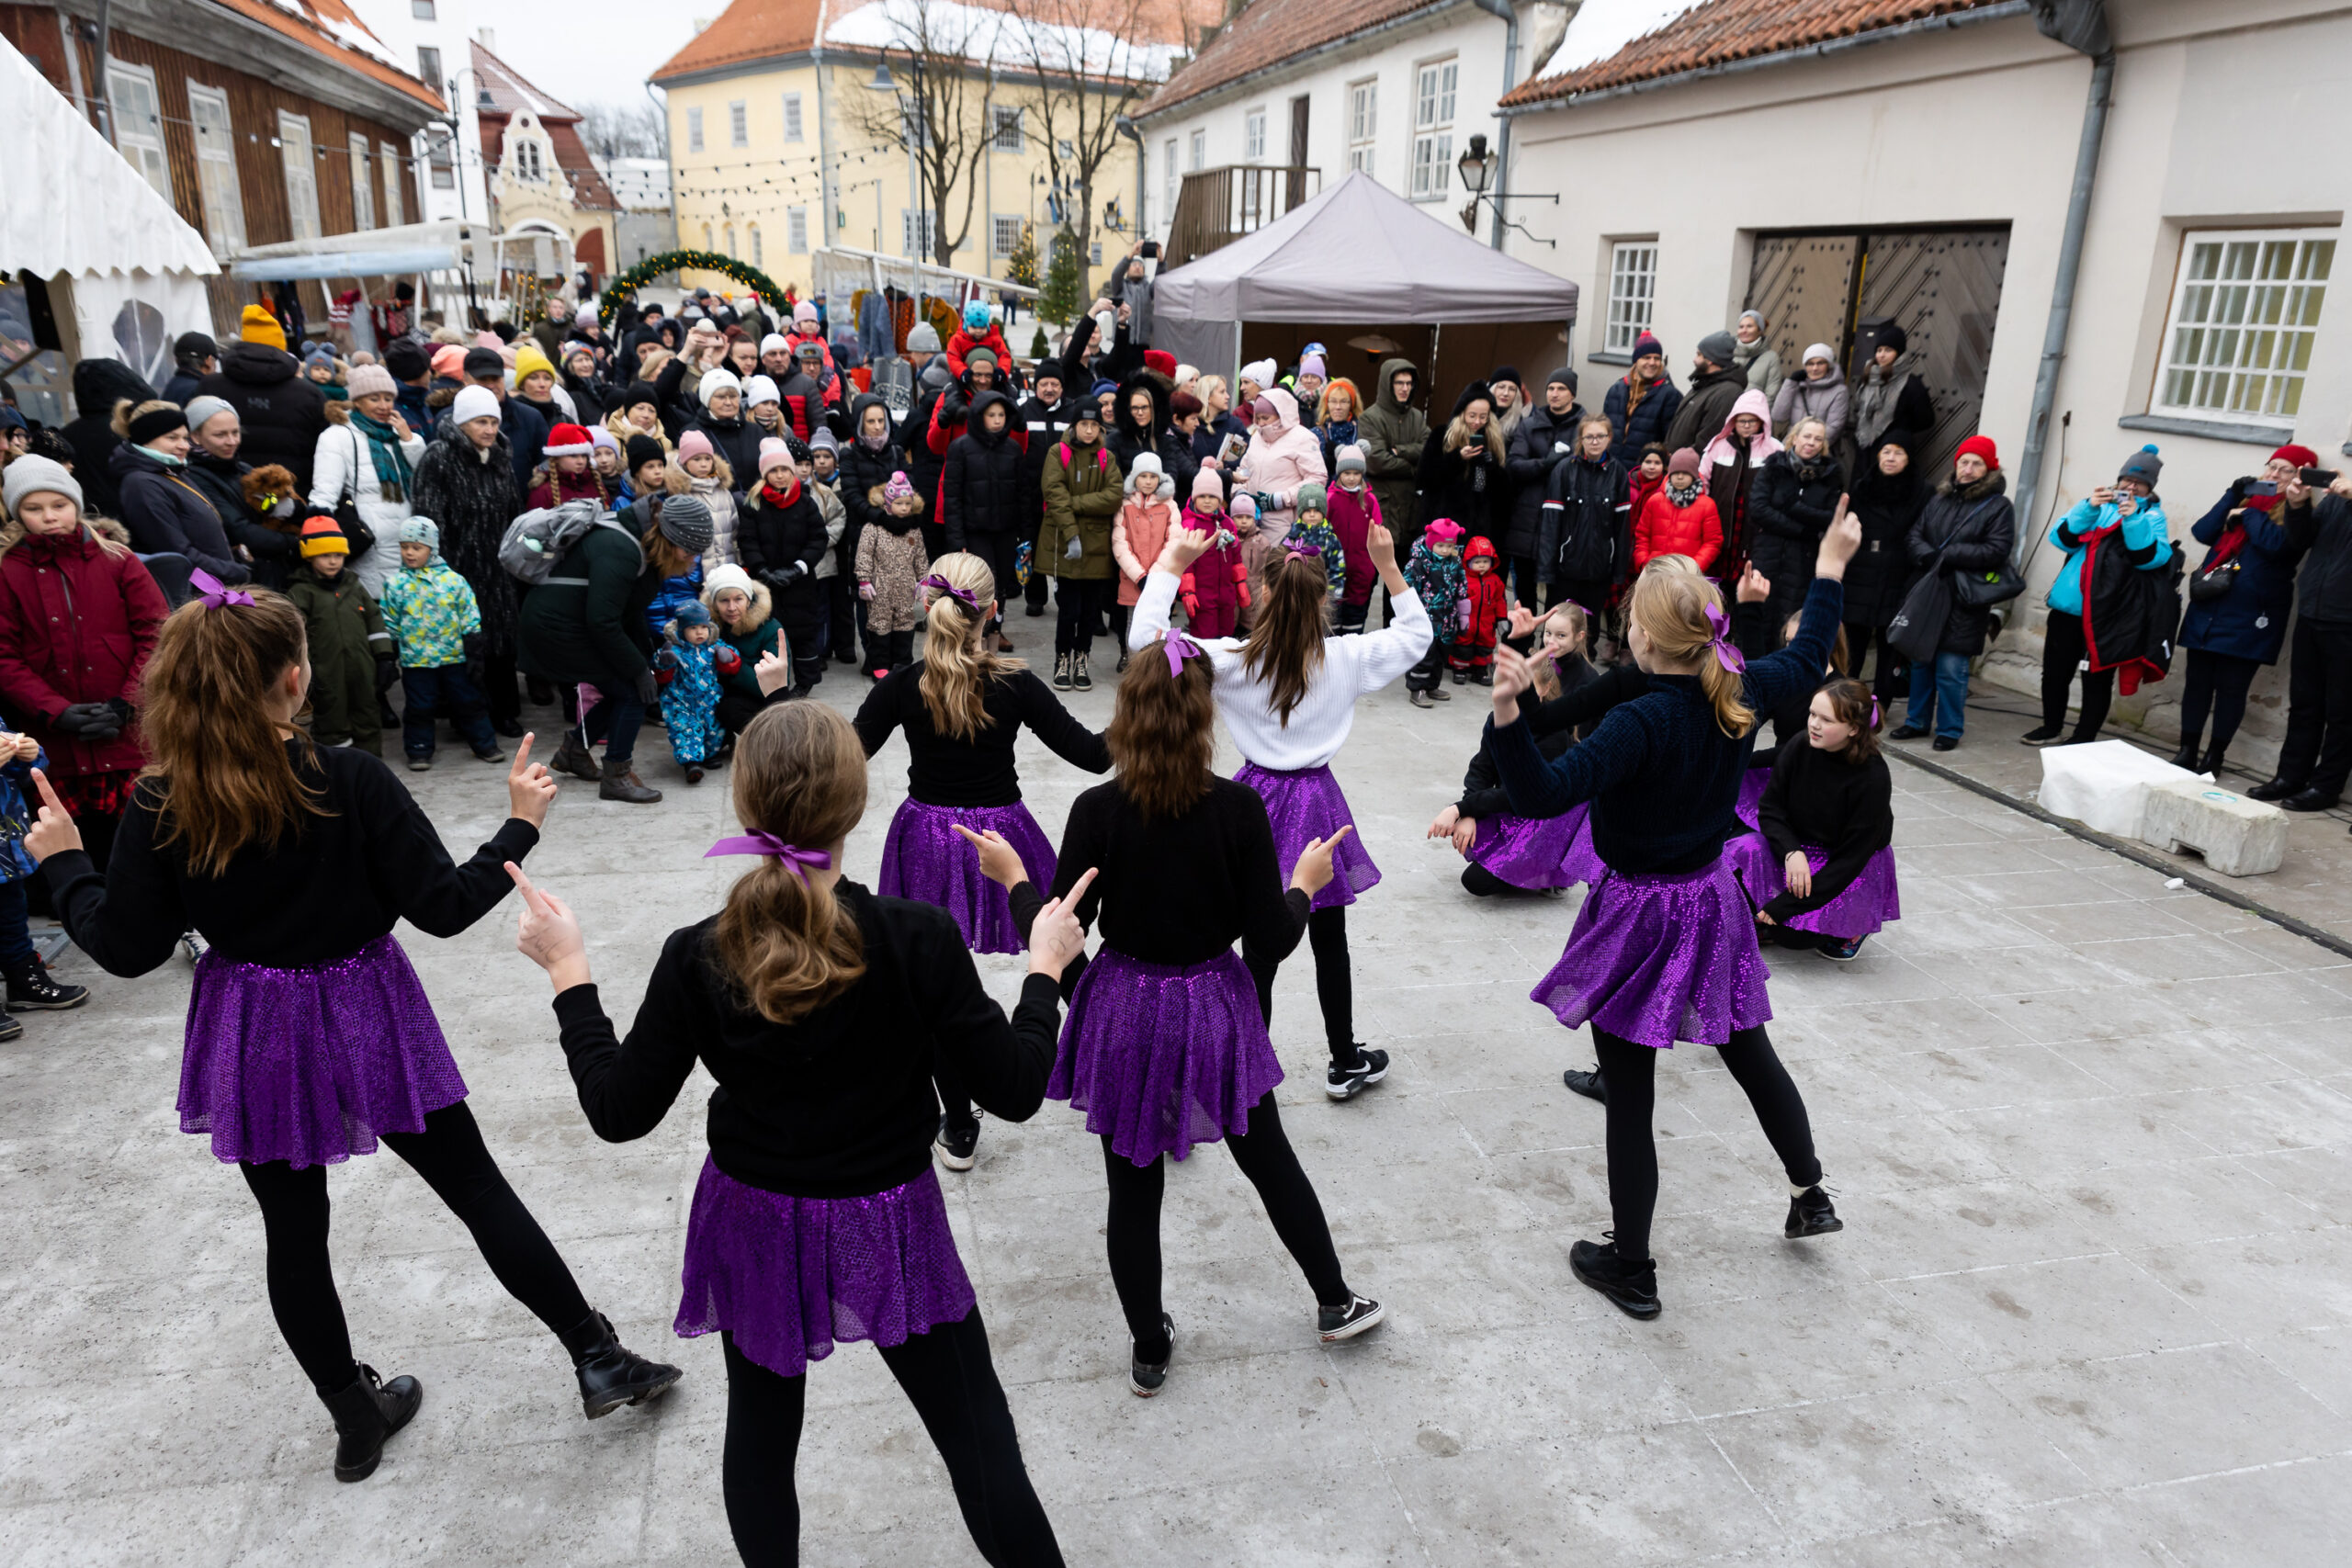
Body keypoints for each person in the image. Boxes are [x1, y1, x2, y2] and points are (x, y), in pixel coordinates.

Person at [30, 585, 680, 1483]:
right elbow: (445, 910)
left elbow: (126, 950)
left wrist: (65, 861)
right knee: (475, 1188)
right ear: (295, 681)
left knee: (294, 1234)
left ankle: (354, 1417)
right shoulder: (350, 778)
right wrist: (518, 830)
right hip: (366, 1007)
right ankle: (596, 1354)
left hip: (254, 1024)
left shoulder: (160, 800)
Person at [509, 702, 1073, 1562]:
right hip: (888, 1217)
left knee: (763, 1438)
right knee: (977, 1436)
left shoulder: (698, 951)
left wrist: (569, 973)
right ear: (854, 806)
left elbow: (619, 1112)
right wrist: (1043, 971)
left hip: (755, 1219)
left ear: (745, 810)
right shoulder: (915, 935)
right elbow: (1018, 1087)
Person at [964, 629, 1385, 1399]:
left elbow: (1056, 927)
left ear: (1126, 713)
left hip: (1125, 1006)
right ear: (1203, 716)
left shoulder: (1098, 809)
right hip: (1215, 1003)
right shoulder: (1237, 808)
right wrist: (1305, 882)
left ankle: (1150, 1345)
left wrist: (1015, 878)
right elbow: (1273, 938)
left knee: (1133, 1189)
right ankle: (1334, 1299)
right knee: (1268, 1157)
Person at [1485, 506, 1862, 1318]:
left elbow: (1542, 793)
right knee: (1748, 1050)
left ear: (1645, 641)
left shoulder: (1638, 721)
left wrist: (1507, 716)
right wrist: (1830, 565)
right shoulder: (1735, 683)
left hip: (1640, 914)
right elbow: (1805, 655)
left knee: (1632, 1092)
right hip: (1711, 900)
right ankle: (1810, 1192)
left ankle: (1632, 1263)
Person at [1131, 518, 1429, 1099]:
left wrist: (1171, 565)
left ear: (1264, 591)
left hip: (1255, 801)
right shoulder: (1346, 658)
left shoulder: (1232, 660)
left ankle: (1249, 1074)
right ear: (1325, 597)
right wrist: (1389, 566)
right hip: (1318, 802)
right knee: (1329, 940)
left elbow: (1148, 645)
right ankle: (1343, 1060)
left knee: (1258, 945)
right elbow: (1416, 637)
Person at [0, 457, 169, 877]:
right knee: (76, 840)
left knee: (147, 834)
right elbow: (4, 655)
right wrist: (56, 711)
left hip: (127, 730)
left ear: (75, 503)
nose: (49, 517)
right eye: (33, 509)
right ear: (17, 513)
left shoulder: (118, 559)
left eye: (58, 504)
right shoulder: (7, 570)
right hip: (56, 736)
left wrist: (127, 702)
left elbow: (156, 632)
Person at [522, 491, 713, 804]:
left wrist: (644, 659)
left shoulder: (642, 545)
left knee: (624, 687)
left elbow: (627, 610)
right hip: (556, 629)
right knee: (633, 691)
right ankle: (617, 777)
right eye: (691, 551)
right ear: (672, 539)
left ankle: (573, 752)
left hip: (575, 624)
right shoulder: (622, 549)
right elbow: (604, 621)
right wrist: (639, 670)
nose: (692, 560)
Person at [1430, 602, 1605, 897]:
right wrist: (1469, 811)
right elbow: (1481, 767)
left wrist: (1462, 808)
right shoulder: (1497, 718)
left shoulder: (1554, 735)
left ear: (1544, 691)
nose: (1510, 688)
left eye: (1521, 686)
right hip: (1515, 804)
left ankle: (1549, 867)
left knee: (1476, 882)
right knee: (1471, 844)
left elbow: (1521, 793)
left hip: (1544, 814)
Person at [1724, 677, 1899, 963]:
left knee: (1795, 940)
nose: (1814, 724)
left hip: (1845, 858)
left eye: (1826, 720)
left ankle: (1852, 927)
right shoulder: (1800, 745)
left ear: (1853, 729)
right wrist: (1792, 851)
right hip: (1802, 842)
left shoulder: (1873, 777)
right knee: (1743, 847)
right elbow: (1770, 808)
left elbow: (1849, 860)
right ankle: (1770, 920)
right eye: (1812, 714)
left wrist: (1786, 906)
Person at [2173, 446, 2315, 774]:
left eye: (2285, 470)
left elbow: (2278, 547)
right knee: (2197, 684)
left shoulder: (2295, 512)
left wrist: (2247, 515)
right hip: (2209, 606)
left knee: (2231, 689)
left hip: (2252, 617)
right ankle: (2187, 751)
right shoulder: (2242, 503)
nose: (2273, 475)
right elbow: (2203, 532)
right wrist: (2232, 497)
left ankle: (2215, 756)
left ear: (2298, 478)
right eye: (2271, 467)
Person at [2022, 445, 2175, 748]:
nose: (2130, 487)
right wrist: (2088, 507)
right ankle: (2050, 726)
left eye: (2139, 483)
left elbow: (2148, 558)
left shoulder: (2153, 517)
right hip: (2068, 608)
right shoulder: (2096, 505)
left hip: (2109, 615)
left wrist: (2132, 518)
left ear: (2149, 487)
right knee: (2054, 673)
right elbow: (2061, 538)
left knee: (2096, 680)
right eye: (2126, 480)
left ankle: (2083, 737)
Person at [407, 385, 526, 736]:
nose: (489, 429)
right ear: (462, 423)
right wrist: (438, 569)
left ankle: (504, 711)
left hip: (499, 568)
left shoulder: (502, 455)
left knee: (501, 643)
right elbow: (428, 517)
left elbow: (514, 512)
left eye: (494, 421)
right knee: (465, 644)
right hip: (457, 570)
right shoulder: (439, 457)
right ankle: (470, 716)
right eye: (480, 422)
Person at [1889, 434, 2015, 751]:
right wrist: (1928, 556)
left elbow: (1997, 549)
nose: (1968, 469)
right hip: (1931, 591)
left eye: (1976, 463)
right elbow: (1915, 535)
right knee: (1920, 662)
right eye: (1964, 462)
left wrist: (1950, 555)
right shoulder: (1939, 498)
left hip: (1964, 597)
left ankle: (1949, 728)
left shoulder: (1999, 507)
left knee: (1950, 668)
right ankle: (1916, 722)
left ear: (1988, 469)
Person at [2251, 469, 2352, 811]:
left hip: (2348, 623)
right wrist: (2298, 506)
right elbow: (2301, 541)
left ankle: (2325, 787)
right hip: (2312, 613)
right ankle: (2290, 776)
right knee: (2305, 703)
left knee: (2342, 712)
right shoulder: (2337, 498)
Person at [378, 518, 498, 771]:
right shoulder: (395, 584)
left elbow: (468, 613)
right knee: (419, 706)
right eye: (404, 546)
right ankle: (418, 749)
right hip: (416, 660)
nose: (409, 552)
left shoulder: (453, 581)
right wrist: (390, 651)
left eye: (417, 547)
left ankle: (485, 744)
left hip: (454, 656)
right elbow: (389, 618)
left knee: (468, 701)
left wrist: (474, 646)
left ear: (432, 549)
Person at [0, 721, 87, 1029]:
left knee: (12, 916)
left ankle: (24, 981)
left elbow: (21, 776)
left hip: (5, 845)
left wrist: (29, 755)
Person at [308, 364, 424, 595]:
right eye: (374, 399)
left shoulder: (396, 436)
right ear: (357, 401)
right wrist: (320, 538)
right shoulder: (338, 436)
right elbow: (325, 491)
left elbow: (424, 480)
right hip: (370, 542)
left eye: (388, 398)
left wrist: (410, 440)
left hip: (408, 541)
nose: (383, 406)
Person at [109, 400, 253, 586]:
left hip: (212, 586)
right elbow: (176, 554)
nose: (184, 446)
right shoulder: (142, 484)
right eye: (172, 438)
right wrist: (232, 571)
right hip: (195, 595)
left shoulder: (172, 472)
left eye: (185, 438)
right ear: (146, 438)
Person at [284, 514, 395, 754]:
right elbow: (295, 635)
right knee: (331, 720)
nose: (333, 561)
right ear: (310, 556)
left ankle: (370, 762)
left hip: (362, 668)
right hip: (326, 672)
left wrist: (384, 656)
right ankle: (336, 766)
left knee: (367, 713)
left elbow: (374, 619)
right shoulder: (301, 592)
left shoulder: (354, 585)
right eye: (325, 555)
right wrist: (305, 670)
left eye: (338, 555)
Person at [197, 314, 331, 494]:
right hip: (292, 495)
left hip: (227, 494)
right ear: (280, 349)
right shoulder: (309, 394)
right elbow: (326, 449)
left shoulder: (210, 386)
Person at [1038, 405, 1123, 691]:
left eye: (1094, 424)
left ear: (1101, 428)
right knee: (1068, 609)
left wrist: (1077, 503)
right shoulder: (1057, 452)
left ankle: (1082, 658)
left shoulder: (1106, 457)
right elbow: (1054, 493)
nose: (1089, 430)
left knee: (1090, 611)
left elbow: (1113, 496)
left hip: (1097, 546)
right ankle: (1062, 658)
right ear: (1074, 426)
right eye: (1083, 424)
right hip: (1065, 542)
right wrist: (1073, 530)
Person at [737, 437, 829, 696]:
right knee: (771, 632)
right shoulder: (753, 504)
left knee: (803, 632)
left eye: (784, 470)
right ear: (764, 474)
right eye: (773, 471)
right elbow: (747, 540)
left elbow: (818, 538)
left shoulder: (805, 502)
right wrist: (761, 569)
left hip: (799, 580)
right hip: (766, 582)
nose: (779, 476)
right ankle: (774, 681)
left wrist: (799, 567)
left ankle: (806, 680)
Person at [182, 397, 302, 592]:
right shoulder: (194, 477)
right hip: (244, 577)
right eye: (220, 435)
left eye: (235, 432)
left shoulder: (242, 468)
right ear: (195, 436)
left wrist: (285, 506)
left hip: (271, 568)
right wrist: (293, 542)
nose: (231, 441)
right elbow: (236, 528)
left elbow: (269, 503)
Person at [941, 390, 1028, 655]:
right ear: (979, 416)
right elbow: (952, 496)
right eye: (992, 415)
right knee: (979, 585)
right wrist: (957, 540)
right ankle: (973, 637)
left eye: (1002, 415)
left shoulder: (1012, 449)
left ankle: (993, 635)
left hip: (1005, 530)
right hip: (974, 531)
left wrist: (1025, 537)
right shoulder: (961, 447)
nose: (998, 420)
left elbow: (1023, 495)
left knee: (1001, 585)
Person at [1842, 437, 1928, 702]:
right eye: (1886, 452)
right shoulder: (1862, 487)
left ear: (1908, 458)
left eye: (1898, 452)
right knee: (1852, 645)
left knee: (1890, 645)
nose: (1890, 457)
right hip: (1861, 571)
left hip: (1897, 574)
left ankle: (1880, 706)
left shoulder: (1922, 492)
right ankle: (1846, 701)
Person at [1749, 416, 1844, 627]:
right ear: (1795, 438)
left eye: (1818, 439)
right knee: (1760, 617)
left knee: (1789, 621)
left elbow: (1830, 518)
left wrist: (1794, 508)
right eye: (1807, 436)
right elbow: (1759, 509)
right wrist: (1801, 529)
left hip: (1803, 560)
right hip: (1768, 554)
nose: (1811, 443)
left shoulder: (1830, 476)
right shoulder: (1774, 467)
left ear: (1823, 445)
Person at [1504, 370, 1586, 605]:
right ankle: (1522, 637)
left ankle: (1553, 638)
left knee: (1558, 591)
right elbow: (1514, 465)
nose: (1554, 394)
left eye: (1561, 389)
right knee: (1525, 586)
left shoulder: (1583, 428)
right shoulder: (1529, 425)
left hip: (1563, 520)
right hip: (1527, 520)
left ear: (1572, 393)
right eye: (1551, 388)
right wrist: (1545, 463)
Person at [1540, 414, 1632, 621]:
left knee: (1588, 631)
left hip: (1599, 571)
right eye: (1589, 436)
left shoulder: (1618, 473)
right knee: (1557, 627)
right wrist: (1546, 571)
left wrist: (1618, 572)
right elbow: (1550, 525)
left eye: (1601, 436)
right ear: (1580, 439)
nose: (1595, 441)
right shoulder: (1564, 469)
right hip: (1565, 569)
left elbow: (1622, 528)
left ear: (1609, 438)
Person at [1702, 388, 1782, 590]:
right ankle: (1714, 621)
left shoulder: (1775, 450)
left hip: (1754, 531)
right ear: (1733, 422)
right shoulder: (1717, 445)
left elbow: (1782, 489)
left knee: (1745, 584)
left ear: (1761, 421)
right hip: (1720, 527)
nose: (1746, 426)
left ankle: (1737, 621)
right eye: (1741, 421)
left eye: (1751, 421)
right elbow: (1702, 481)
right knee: (1712, 585)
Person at [855, 472, 933, 678]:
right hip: (880, 587)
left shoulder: (913, 531)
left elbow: (920, 557)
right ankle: (879, 664)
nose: (905, 508)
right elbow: (864, 554)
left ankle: (902, 663)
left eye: (908, 503)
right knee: (879, 624)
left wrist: (924, 580)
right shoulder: (874, 529)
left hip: (905, 587)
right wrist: (864, 580)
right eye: (899, 503)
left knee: (905, 623)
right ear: (888, 504)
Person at [652, 597, 736, 784]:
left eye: (703, 627)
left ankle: (710, 754)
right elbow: (660, 668)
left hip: (710, 699)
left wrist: (728, 656)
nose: (700, 632)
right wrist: (664, 661)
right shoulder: (676, 650)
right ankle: (691, 764)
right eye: (693, 628)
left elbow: (732, 657)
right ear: (682, 630)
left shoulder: (713, 647)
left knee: (713, 729)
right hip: (681, 701)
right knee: (686, 731)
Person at [1112, 452, 1182, 668]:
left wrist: (1156, 574)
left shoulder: (1169, 505)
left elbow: (1174, 540)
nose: (1149, 481)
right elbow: (1120, 543)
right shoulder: (1125, 506)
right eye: (1143, 476)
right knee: (1133, 623)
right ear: (1134, 478)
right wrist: (1140, 575)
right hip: (1134, 578)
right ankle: (1132, 662)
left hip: (1160, 578)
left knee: (1161, 621)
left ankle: (1157, 665)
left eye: (1153, 476)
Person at [1357, 358, 1429, 569]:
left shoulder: (1417, 417)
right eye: (1399, 383)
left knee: (1401, 584)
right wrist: (1414, 468)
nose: (1405, 388)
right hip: (1382, 510)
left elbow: (1430, 451)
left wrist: (1402, 451)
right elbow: (1377, 461)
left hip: (1410, 513)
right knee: (1368, 579)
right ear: (1388, 384)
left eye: (1409, 383)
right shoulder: (1371, 417)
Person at [1416, 384, 1504, 550]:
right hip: (1444, 525)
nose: (1477, 422)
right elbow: (1424, 477)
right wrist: (1457, 458)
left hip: (1478, 527)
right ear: (1461, 412)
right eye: (1472, 415)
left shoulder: (1494, 441)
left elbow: (1502, 491)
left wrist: (1491, 465)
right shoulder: (1441, 435)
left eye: (1483, 417)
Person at [703, 564, 785, 738]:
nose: (731, 607)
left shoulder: (770, 628)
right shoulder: (705, 628)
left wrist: (736, 669)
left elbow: (776, 685)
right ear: (714, 604)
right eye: (724, 601)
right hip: (717, 693)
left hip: (761, 699)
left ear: (749, 599)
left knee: (730, 709)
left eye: (738, 599)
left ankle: (762, 741)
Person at [1403, 519, 1466, 708]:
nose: (1445, 550)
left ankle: (1432, 685)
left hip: (1447, 618)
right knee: (1424, 654)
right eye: (1440, 545)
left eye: (1449, 546)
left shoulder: (1455, 562)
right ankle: (1418, 688)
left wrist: (1463, 614)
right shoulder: (1421, 563)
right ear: (1431, 542)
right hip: (1426, 618)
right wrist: (1410, 612)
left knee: (1440, 655)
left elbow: (1462, 587)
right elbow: (1407, 586)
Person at [1176, 474, 1249, 639]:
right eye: (1202, 496)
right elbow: (1186, 562)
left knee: (1226, 637)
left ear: (1219, 499)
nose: (1207, 501)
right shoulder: (1190, 525)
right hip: (1202, 595)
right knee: (1205, 637)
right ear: (1194, 498)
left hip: (1226, 593)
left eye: (1212, 496)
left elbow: (1236, 556)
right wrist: (1187, 592)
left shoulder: (1228, 523)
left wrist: (1240, 583)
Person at [1633, 448, 1723, 575]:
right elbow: (1642, 535)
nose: (1680, 477)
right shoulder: (1655, 501)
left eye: (1685, 473)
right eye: (1676, 473)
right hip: (1655, 572)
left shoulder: (1707, 505)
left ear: (1694, 475)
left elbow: (1713, 542)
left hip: (1687, 574)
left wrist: (1694, 567)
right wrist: (1644, 562)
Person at [1603, 333, 1681, 471]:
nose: (1652, 363)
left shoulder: (1670, 396)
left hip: (1644, 475)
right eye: (1646, 357)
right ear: (1635, 360)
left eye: (1657, 358)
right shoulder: (1617, 390)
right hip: (1613, 470)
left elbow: (1670, 443)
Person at [1326, 446, 1383, 634]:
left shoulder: (1370, 500)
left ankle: (1353, 650)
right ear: (1339, 473)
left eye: (1356, 473)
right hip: (1334, 567)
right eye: (1347, 473)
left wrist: (1372, 562)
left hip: (1361, 565)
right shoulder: (1331, 499)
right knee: (1333, 614)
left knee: (1355, 614)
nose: (1351, 478)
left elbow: (1378, 530)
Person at [1852, 325, 1935, 454]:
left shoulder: (1911, 384)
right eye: (1879, 350)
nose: (1882, 355)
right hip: (1865, 447)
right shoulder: (1867, 378)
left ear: (1899, 353)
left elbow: (1926, 419)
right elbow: (1859, 408)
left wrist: (1900, 430)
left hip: (1894, 449)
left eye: (1888, 350)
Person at [1665, 332, 1748, 457]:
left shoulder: (1727, 393)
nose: (1694, 359)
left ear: (1710, 359)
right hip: (1678, 465)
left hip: (1691, 469)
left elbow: (1709, 437)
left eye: (1699, 355)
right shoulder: (1704, 384)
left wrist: (1683, 461)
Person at [671, 430, 742, 572]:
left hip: (728, 568)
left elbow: (735, 531)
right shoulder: (680, 494)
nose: (703, 464)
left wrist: (738, 562)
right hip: (696, 572)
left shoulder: (723, 491)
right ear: (684, 462)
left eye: (707, 458)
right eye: (696, 459)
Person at [1451, 536, 1510, 685]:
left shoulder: (1495, 581)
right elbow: (1455, 599)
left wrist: (1502, 618)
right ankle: (1460, 670)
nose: (1482, 565)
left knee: (1485, 648)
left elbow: (1500, 601)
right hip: (1467, 622)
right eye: (1477, 562)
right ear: (1468, 562)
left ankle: (1480, 671)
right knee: (1463, 647)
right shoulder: (1463, 579)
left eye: (1485, 561)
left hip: (1486, 623)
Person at [1770, 343, 1850, 452]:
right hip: (1791, 448)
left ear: (1829, 365)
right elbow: (1778, 416)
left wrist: (1808, 447)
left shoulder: (1839, 391)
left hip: (1818, 451)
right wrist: (1790, 384)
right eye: (1810, 364)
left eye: (1820, 363)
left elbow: (1834, 427)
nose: (1814, 368)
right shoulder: (1798, 386)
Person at [526, 423, 605, 511]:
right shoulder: (542, 492)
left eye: (584, 456)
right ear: (557, 458)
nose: (581, 461)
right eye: (573, 456)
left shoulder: (595, 484)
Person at [1732, 310, 1785, 403]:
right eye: (1741, 327)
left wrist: (1756, 416)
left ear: (1760, 330)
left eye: (1749, 326)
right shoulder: (1727, 352)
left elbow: (1771, 395)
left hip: (1750, 414)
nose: (1744, 330)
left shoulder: (1771, 358)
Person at [1314, 377, 1363, 476]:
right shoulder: (1316, 433)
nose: (1338, 407)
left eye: (1344, 402)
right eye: (1333, 401)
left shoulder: (1362, 431)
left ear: (1352, 404)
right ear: (1327, 404)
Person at [162, 331, 218, 407]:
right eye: (215, 361)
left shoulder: (171, 385)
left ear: (176, 360)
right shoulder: (201, 391)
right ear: (208, 361)